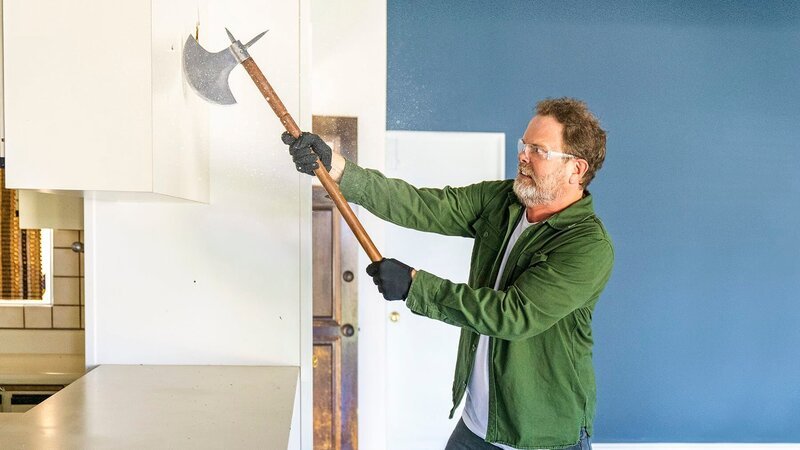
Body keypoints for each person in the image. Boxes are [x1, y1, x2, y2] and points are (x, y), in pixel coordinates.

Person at [282, 97, 613, 450]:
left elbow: (512, 315)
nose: (522, 156)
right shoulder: (504, 201)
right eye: (523, 145)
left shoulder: (587, 245)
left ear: (575, 169)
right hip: (476, 426)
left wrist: (414, 286)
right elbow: (423, 205)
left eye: (538, 150)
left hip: (543, 438)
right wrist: (338, 169)